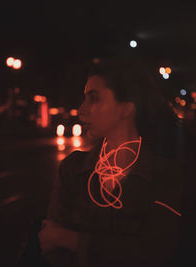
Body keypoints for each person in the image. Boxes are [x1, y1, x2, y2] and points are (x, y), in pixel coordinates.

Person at [38, 59, 184, 267]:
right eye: (84, 99)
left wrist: (71, 239)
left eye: (94, 99)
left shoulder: (162, 173)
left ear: (126, 108)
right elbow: (49, 246)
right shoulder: (74, 169)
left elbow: (155, 253)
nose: (81, 110)